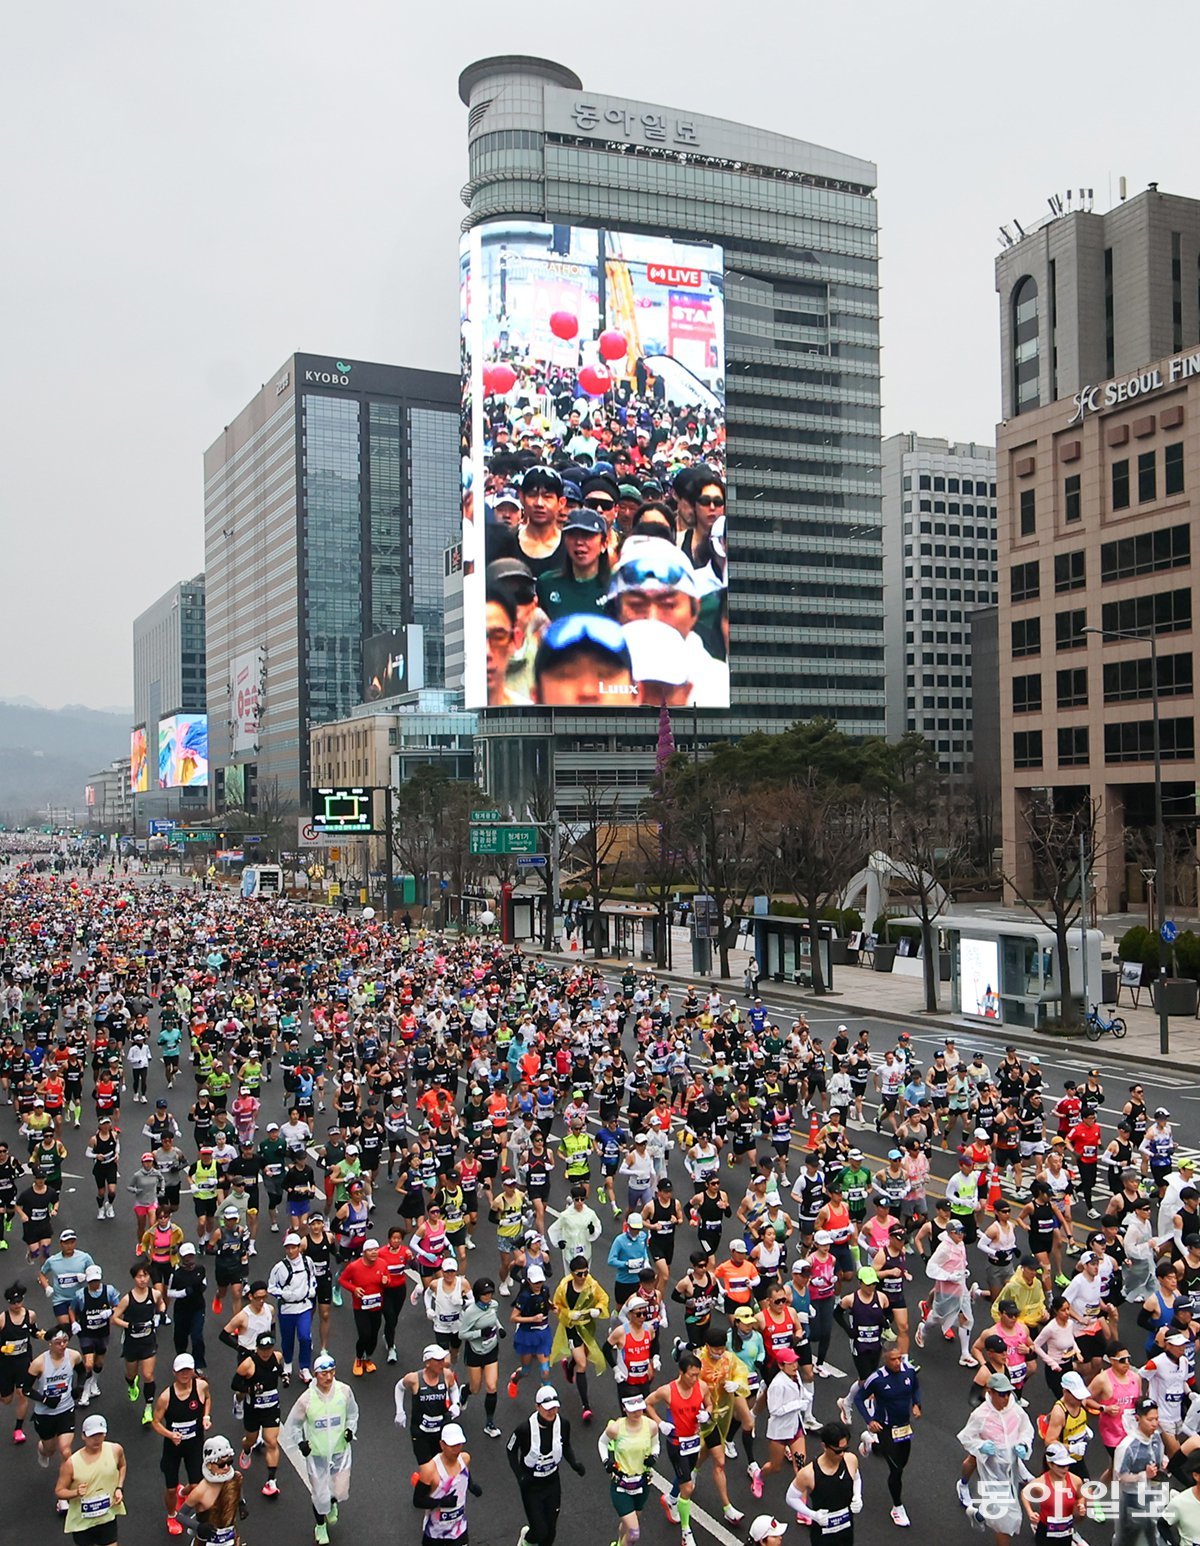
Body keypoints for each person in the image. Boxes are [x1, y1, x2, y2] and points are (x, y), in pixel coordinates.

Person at [280, 1351, 359, 1546]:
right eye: (324, 1373)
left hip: (340, 1451)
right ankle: (320, 1526)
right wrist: (301, 1443)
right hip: (317, 1455)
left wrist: (350, 1430)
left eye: (332, 1372)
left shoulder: (344, 1391)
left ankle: (332, 1503)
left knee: (339, 1489)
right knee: (319, 1494)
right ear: (316, 1375)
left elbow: (352, 1414)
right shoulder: (307, 1399)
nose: (329, 1377)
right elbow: (294, 1425)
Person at [956, 1372, 1035, 1545]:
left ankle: (979, 1515)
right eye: (1001, 1394)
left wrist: (1023, 1445)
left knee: (1004, 1504)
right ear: (990, 1392)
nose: (1005, 1398)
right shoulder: (980, 1415)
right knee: (1004, 1518)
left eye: (1008, 1393)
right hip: (992, 1470)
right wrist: (981, 1446)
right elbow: (967, 1437)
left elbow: (1026, 1430)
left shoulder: (1015, 1410)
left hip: (1012, 1466)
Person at [506, 1384, 587, 1546]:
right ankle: (525, 1541)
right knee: (540, 1530)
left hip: (552, 1482)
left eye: (554, 1408)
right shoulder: (524, 1429)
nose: (551, 1412)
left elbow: (565, 1446)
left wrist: (574, 1463)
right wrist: (520, 1476)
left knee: (550, 1531)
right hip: (531, 1485)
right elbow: (510, 1450)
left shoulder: (563, 1424)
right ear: (537, 1407)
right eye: (547, 1408)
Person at [852, 1342, 920, 1526]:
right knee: (896, 1470)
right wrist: (869, 1421)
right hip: (885, 1427)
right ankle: (897, 1507)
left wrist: (916, 1404)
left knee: (902, 1463)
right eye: (893, 1359)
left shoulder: (909, 1371)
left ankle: (871, 1444)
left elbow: (915, 1387)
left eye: (899, 1358)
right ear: (885, 1359)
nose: (897, 1362)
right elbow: (859, 1398)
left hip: (904, 1427)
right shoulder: (877, 1379)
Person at [151, 1352, 212, 1535]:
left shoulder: (201, 1386)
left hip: (194, 1444)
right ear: (174, 1373)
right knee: (170, 1488)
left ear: (193, 1371)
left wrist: (206, 1417)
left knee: (196, 1486)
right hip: (174, 1447)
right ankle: (171, 1515)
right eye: (181, 1371)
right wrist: (170, 1435)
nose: (185, 1374)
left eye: (188, 1370)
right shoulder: (166, 1397)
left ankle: (183, 1493)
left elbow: (208, 1399)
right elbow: (155, 1422)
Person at [551, 1256, 609, 1422]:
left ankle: (569, 1366)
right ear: (572, 1273)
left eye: (585, 1273)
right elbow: (556, 1306)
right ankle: (586, 1406)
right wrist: (569, 1314)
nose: (583, 1277)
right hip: (572, 1328)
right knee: (582, 1364)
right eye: (579, 1274)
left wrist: (599, 1309)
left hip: (588, 1327)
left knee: (583, 1355)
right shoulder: (564, 1286)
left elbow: (603, 1298)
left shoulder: (592, 1284)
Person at [785, 1420, 862, 1546]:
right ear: (824, 1446)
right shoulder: (809, 1473)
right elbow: (791, 1497)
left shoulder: (850, 1460)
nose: (842, 1454)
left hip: (846, 1529)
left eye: (845, 1449)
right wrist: (813, 1515)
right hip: (823, 1535)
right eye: (838, 1451)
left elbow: (857, 1478)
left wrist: (857, 1495)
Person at [598, 1394, 661, 1546]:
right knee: (634, 1533)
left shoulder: (651, 1425)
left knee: (629, 1523)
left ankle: (619, 1543)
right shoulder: (615, 1428)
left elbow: (656, 1443)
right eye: (633, 1410)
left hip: (642, 1484)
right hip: (621, 1485)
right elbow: (602, 1442)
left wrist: (654, 1455)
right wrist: (607, 1462)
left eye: (639, 1409)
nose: (637, 1413)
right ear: (625, 1409)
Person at [56, 1414, 126, 1544]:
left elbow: (122, 1466)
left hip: (106, 1517)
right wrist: (75, 1492)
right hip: (82, 1523)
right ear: (83, 1436)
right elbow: (59, 1491)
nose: (96, 1439)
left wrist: (119, 1488)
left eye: (100, 1434)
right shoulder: (71, 1463)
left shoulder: (115, 1450)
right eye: (92, 1435)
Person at [112, 1255, 164, 1425]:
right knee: (131, 1373)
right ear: (134, 1278)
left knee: (148, 1375)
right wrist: (129, 1326)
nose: (142, 1279)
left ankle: (148, 1407)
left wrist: (160, 1315)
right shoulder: (128, 1299)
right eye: (139, 1276)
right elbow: (114, 1318)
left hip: (148, 1341)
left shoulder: (154, 1294)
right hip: (132, 1342)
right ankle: (132, 1384)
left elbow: (161, 1304)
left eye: (145, 1276)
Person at [232, 1331, 283, 1496]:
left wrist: (284, 1376)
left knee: (271, 1441)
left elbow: (278, 1369)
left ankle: (271, 1481)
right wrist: (250, 1389)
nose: (266, 1352)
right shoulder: (248, 1364)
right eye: (263, 1349)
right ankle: (246, 1450)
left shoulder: (277, 1357)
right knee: (251, 1440)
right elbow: (235, 1384)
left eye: (269, 1348)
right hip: (253, 1408)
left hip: (271, 1407)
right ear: (257, 1348)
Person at [412, 1422, 481, 1545]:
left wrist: (471, 1485)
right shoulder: (430, 1469)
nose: (456, 1449)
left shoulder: (465, 1459)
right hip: (435, 1533)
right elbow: (418, 1501)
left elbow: (463, 1474)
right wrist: (441, 1502)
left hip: (459, 1530)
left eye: (459, 1444)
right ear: (442, 1445)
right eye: (452, 1445)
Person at [1112, 1398, 1167, 1546]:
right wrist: (1143, 1475)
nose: (1154, 1423)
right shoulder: (1127, 1447)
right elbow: (1119, 1477)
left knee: (1153, 1530)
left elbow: (1159, 1457)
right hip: (1132, 1499)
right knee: (1130, 1536)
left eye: (1156, 1419)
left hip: (1152, 1493)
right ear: (1138, 1418)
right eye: (1150, 1419)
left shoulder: (1156, 1437)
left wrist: (1163, 1461)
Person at [29, 1323, 83, 1471]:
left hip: (66, 1409)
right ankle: (42, 1450)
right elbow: (26, 1389)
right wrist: (45, 1400)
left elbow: (83, 1372)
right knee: (49, 1450)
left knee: (65, 1450)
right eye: (58, 1343)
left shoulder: (73, 1356)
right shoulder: (39, 1363)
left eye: (65, 1341)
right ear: (50, 1344)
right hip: (45, 1413)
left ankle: (66, 1480)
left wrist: (79, 1387)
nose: (63, 1345)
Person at [396, 1344, 461, 1463]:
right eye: (438, 1361)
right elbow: (399, 1387)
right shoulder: (414, 1379)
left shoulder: (447, 1375)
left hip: (441, 1430)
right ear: (427, 1363)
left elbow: (453, 1388)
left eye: (443, 1360)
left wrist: (456, 1404)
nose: (442, 1363)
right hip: (420, 1432)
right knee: (426, 1466)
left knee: (442, 1464)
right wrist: (400, 1411)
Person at [458, 1277, 505, 1438]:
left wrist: (500, 1328)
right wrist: (479, 1333)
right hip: (475, 1352)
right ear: (478, 1294)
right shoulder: (470, 1312)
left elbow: (493, 1318)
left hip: (491, 1349)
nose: (488, 1296)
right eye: (485, 1294)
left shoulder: (494, 1305)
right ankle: (465, 1391)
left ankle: (489, 1423)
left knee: (491, 1386)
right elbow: (462, 1334)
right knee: (475, 1388)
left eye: (490, 1293)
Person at [268, 1232, 317, 1384]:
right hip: (287, 1309)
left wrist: (311, 1290)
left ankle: (304, 1367)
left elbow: (312, 1277)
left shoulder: (308, 1262)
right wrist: (285, 1294)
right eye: (288, 1248)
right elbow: (271, 1287)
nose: (290, 1251)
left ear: (299, 1247)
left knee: (305, 1337)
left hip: (304, 1306)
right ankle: (288, 1363)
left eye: (293, 1247)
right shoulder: (279, 1268)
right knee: (287, 1338)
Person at [181, 1435, 244, 1546]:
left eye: (229, 1462)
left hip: (230, 1539)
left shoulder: (235, 1478)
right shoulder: (200, 1491)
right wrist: (198, 1527)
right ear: (209, 1465)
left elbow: (237, 1488)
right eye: (221, 1464)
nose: (226, 1467)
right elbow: (180, 1515)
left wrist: (241, 1503)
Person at [1020, 1442, 1085, 1544]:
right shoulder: (1041, 1483)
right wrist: (1030, 1513)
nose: (1065, 1469)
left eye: (1067, 1465)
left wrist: (1081, 1505)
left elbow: (1080, 1496)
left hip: (1066, 1531)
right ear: (1050, 1464)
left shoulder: (1075, 1480)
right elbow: (1024, 1493)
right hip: (1045, 1532)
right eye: (1060, 1466)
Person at [0, 1279, 40, 1440]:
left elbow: (33, 1331)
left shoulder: (30, 1315)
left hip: (23, 1361)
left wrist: (41, 1334)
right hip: (5, 1364)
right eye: (13, 1302)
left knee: (22, 1394)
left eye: (19, 1301)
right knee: (7, 1399)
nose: (16, 1305)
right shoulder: (2, 1319)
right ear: (8, 1302)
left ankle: (18, 1429)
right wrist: (2, 1348)